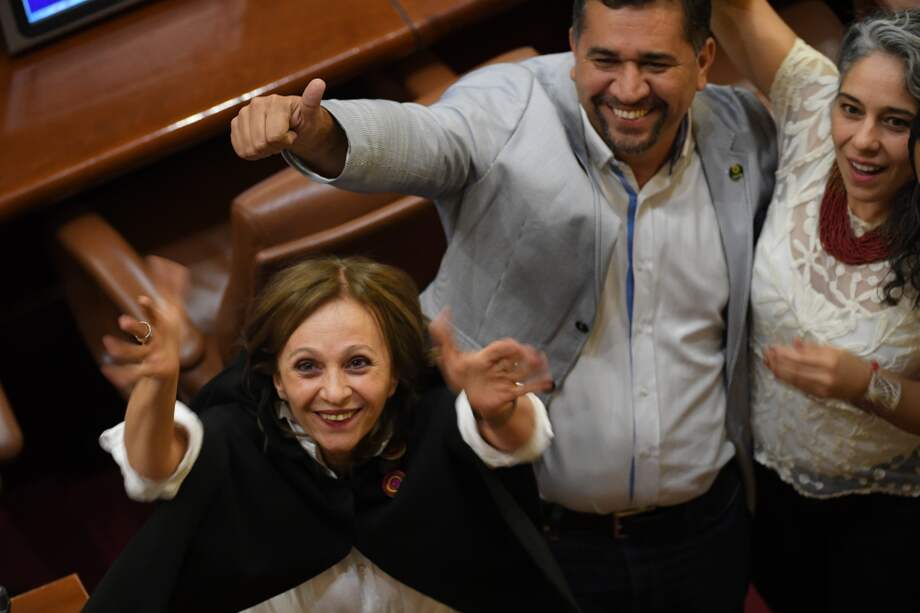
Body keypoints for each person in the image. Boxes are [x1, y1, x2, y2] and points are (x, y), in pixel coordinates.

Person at [229, 1, 779, 611]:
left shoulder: (744, 132)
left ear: (703, 61)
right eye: (605, 60)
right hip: (529, 536)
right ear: (573, 48)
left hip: (706, 531)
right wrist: (319, 132)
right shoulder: (509, 105)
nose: (628, 89)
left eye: (654, 64)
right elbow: (424, 139)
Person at [85, 256, 580, 612]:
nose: (336, 392)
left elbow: (509, 439)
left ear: (394, 374)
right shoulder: (236, 430)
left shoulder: (431, 414)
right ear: (277, 379)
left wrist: (497, 410)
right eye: (307, 367)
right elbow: (155, 467)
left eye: (358, 363)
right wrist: (160, 382)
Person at [712, 3, 920, 611]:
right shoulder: (810, 108)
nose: (863, 140)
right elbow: (735, 8)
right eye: (851, 109)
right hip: (763, 480)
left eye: (897, 122)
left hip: (884, 516)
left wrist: (865, 385)